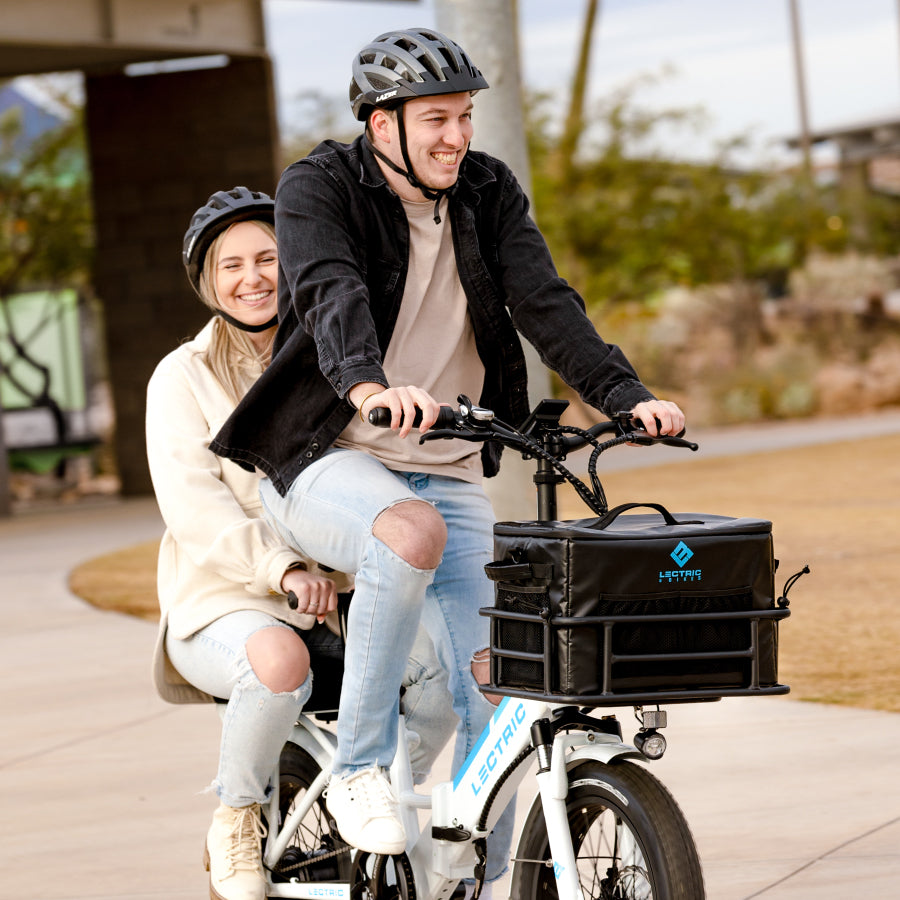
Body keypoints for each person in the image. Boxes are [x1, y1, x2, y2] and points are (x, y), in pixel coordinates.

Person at [210, 27, 685, 892]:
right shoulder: (319, 186)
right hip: (330, 455)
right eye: (435, 119)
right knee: (409, 529)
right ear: (381, 124)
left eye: (464, 116)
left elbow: (543, 299)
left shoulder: (486, 190)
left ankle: (476, 873)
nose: (455, 137)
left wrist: (623, 395)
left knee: (498, 692)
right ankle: (357, 765)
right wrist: (365, 383)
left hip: (453, 462)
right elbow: (329, 291)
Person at [146, 186, 453, 900]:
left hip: (338, 598)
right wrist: (281, 568)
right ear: (207, 281)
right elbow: (193, 506)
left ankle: (352, 787)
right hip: (223, 602)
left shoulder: (341, 360)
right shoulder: (181, 377)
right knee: (280, 662)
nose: (253, 278)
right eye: (232, 265)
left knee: (444, 681)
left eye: (270, 258)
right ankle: (237, 813)